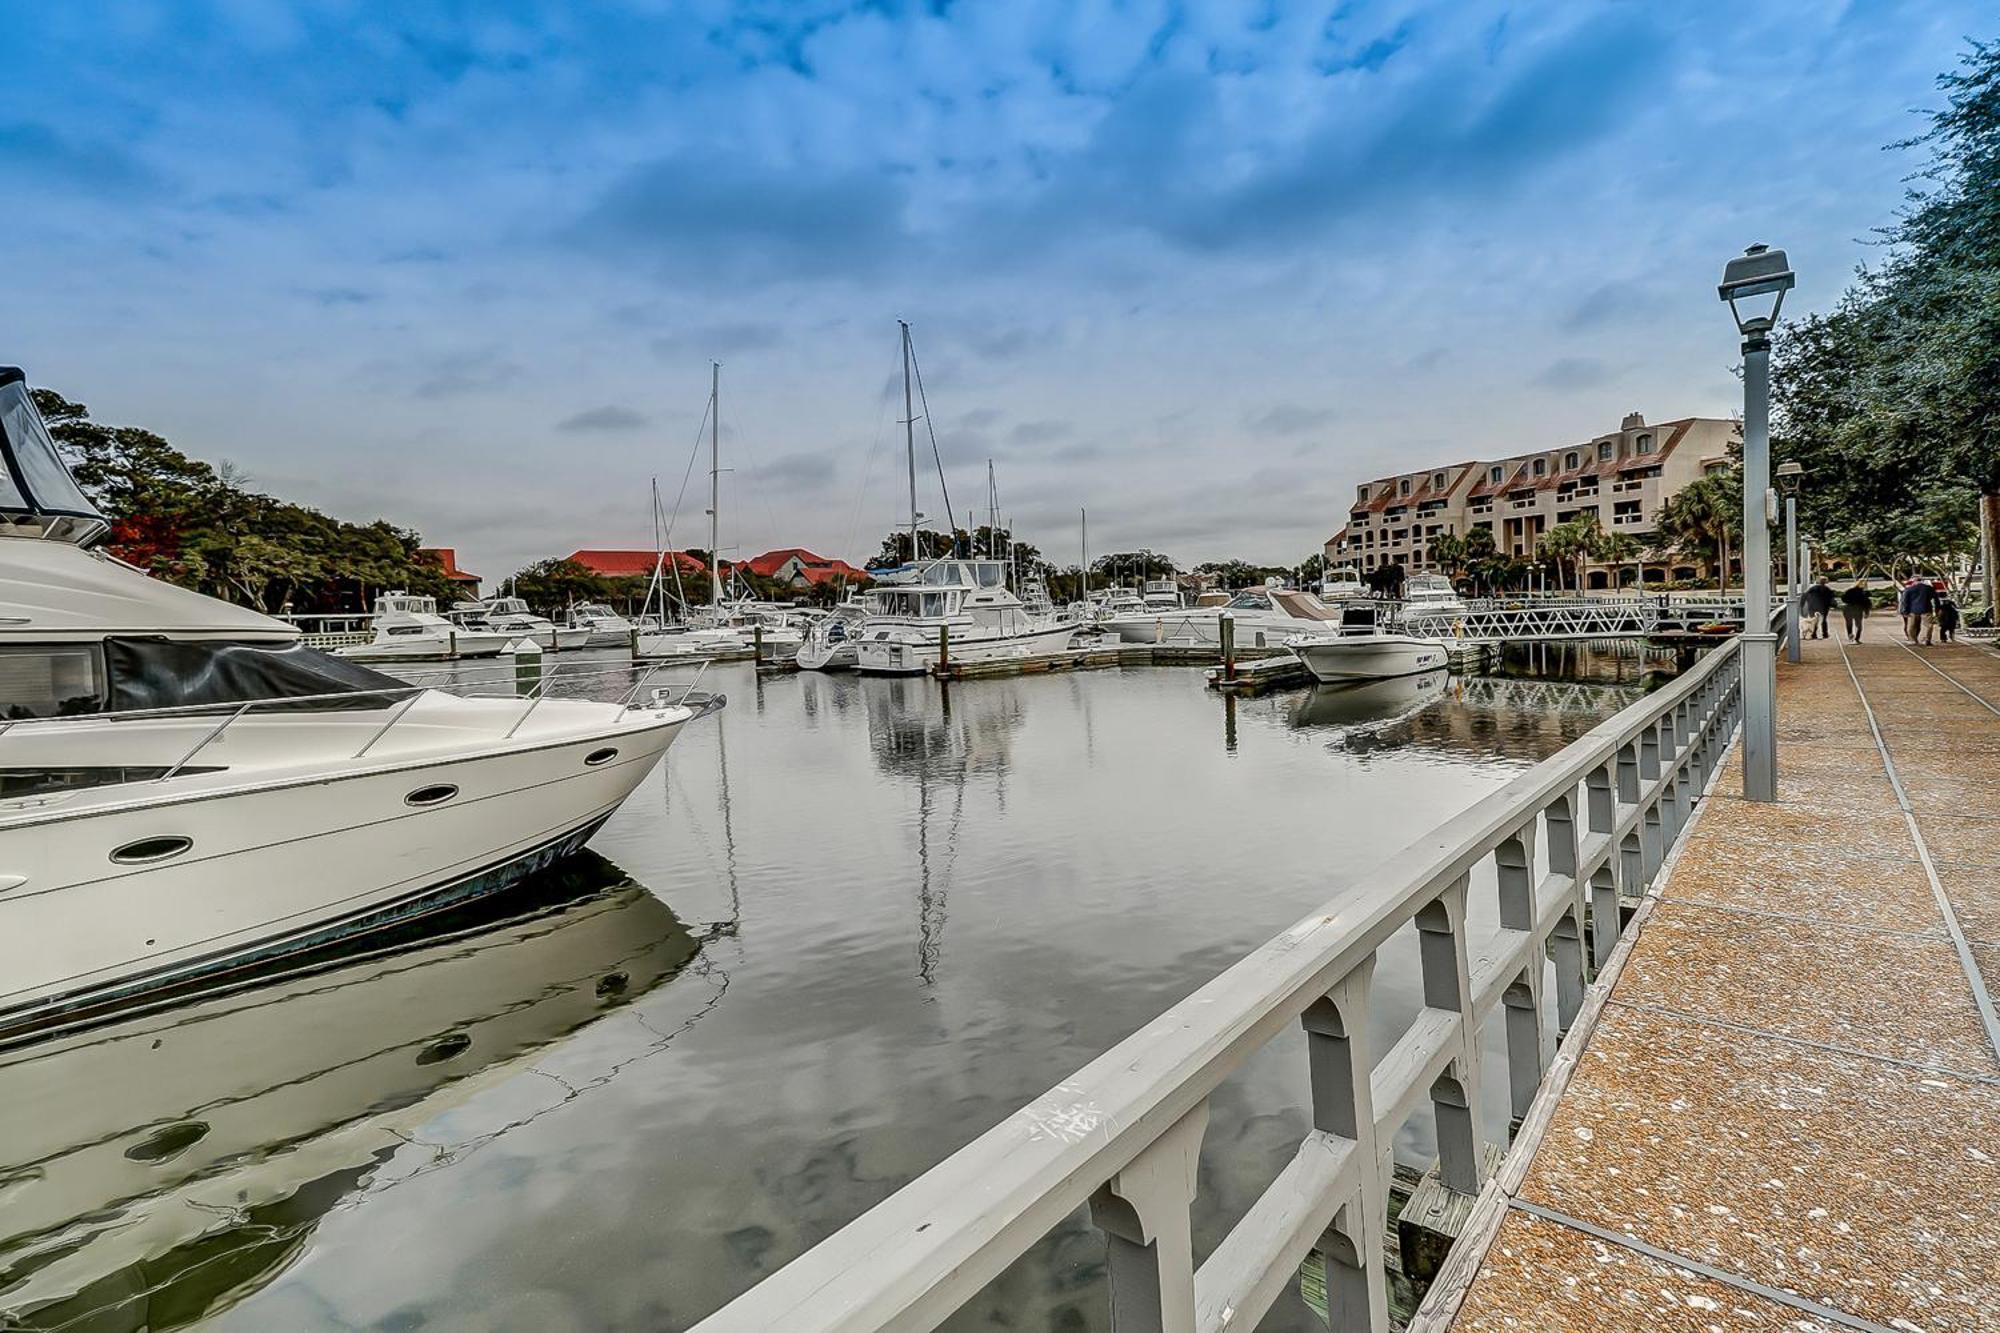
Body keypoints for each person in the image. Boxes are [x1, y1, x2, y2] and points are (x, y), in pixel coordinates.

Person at [1899, 575, 1937, 646]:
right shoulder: (1929, 588)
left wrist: (1903, 611)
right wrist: (1937, 609)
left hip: (1912, 610)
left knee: (1911, 626)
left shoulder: (1909, 589)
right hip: (1926, 609)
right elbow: (1935, 599)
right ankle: (1926, 639)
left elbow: (1904, 601)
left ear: (1913, 581)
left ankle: (1913, 640)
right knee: (1928, 625)